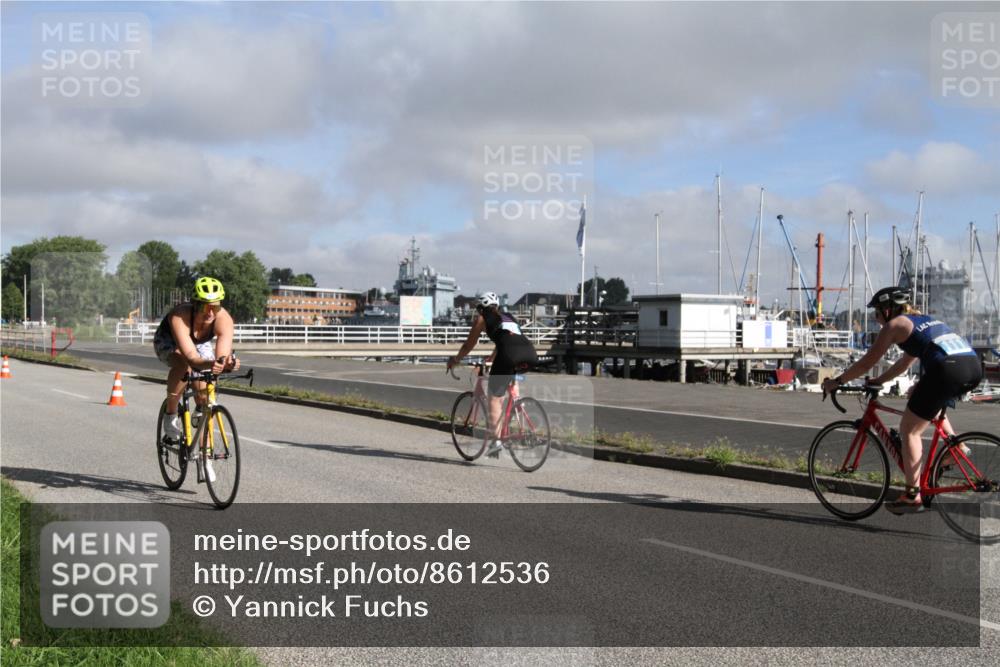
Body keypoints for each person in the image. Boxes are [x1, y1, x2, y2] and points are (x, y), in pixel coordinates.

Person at [821, 286, 982, 514]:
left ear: (888, 310)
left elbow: (867, 361)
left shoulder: (895, 325)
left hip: (947, 369)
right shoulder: (922, 320)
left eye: (876, 313)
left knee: (909, 430)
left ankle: (912, 494)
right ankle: (957, 447)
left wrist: (837, 381)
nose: (876, 319)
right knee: (923, 398)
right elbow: (905, 363)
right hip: (972, 366)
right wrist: (879, 380)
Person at [153, 277, 240, 452]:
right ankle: (170, 415)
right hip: (170, 341)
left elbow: (221, 357)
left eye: (215, 307)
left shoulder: (224, 319)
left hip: (199, 343)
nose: (210, 313)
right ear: (194, 304)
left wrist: (225, 363)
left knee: (206, 391)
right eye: (204, 306)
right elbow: (192, 357)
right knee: (184, 366)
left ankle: (204, 450)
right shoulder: (180, 315)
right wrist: (210, 362)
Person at [446, 293, 538, 457]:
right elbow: (508, 339)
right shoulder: (508, 317)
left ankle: (495, 443)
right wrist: (492, 357)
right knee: (507, 384)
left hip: (509, 355)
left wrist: (455, 359)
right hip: (530, 354)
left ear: (481, 308)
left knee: (494, 399)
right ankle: (517, 411)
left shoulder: (482, 319)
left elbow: (469, 345)